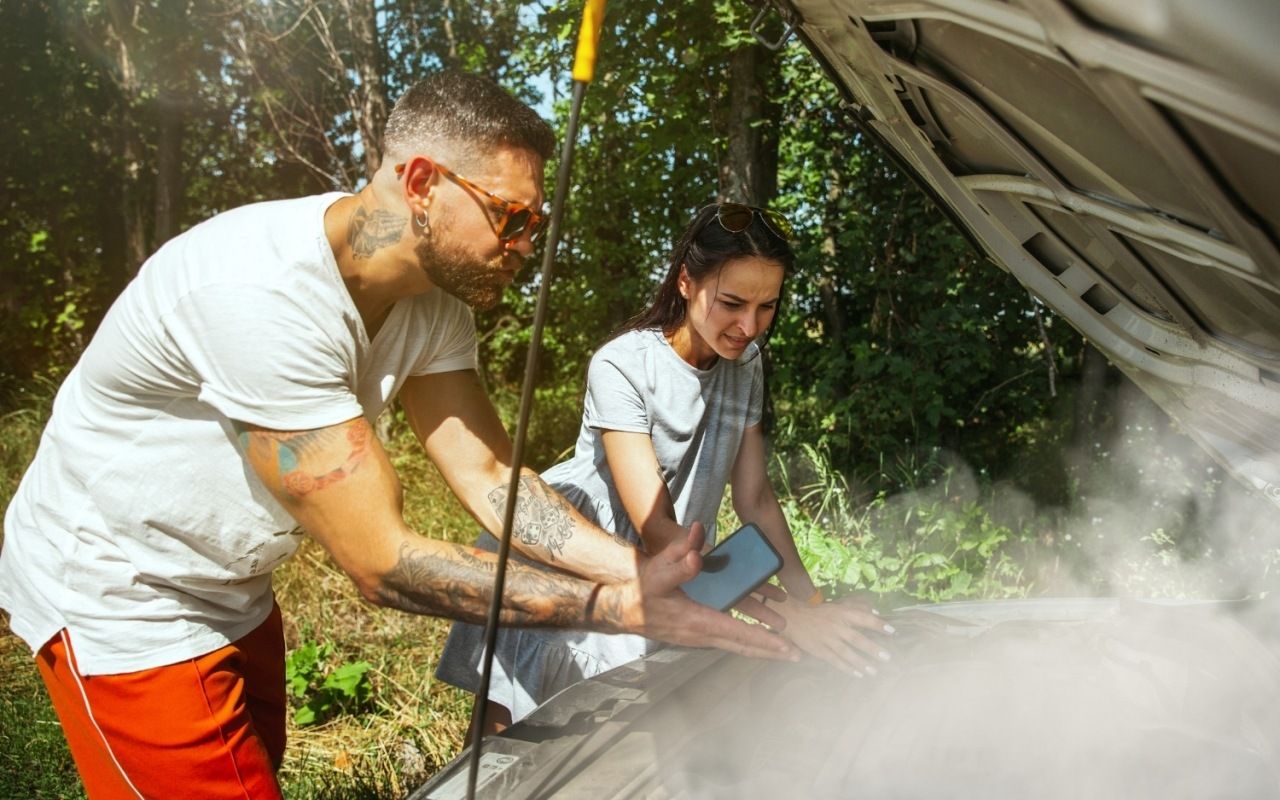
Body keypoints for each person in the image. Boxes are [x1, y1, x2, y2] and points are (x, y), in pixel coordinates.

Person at [0, 72, 796, 799]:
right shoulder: (262, 296)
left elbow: (489, 474)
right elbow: (380, 562)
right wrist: (615, 607)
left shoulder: (435, 302)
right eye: (509, 218)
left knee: (255, 766)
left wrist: (639, 569)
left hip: (231, 582)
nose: (524, 246)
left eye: (536, 222)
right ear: (421, 183)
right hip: (122, 589)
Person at [438, 202, 895, 733]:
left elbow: (756, 500)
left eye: (767, 306)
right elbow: (656, 529)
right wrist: (788, 617)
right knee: (512, 738)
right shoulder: (623, 365)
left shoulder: (745, 365)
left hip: (678, 560)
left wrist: (812, 601)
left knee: (623, 739)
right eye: (732, 303)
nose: (749, 326)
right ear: (685, 282)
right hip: (575, 549)